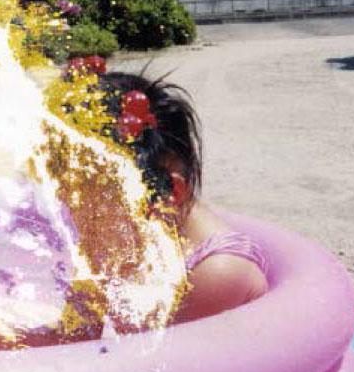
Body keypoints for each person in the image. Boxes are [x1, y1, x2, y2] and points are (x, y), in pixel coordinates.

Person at [96, 71, 269, 323]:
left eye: (91, 200)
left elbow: (132, 345)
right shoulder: (145, 230)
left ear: (169, 191)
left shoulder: (216, 273)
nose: (67, 205)